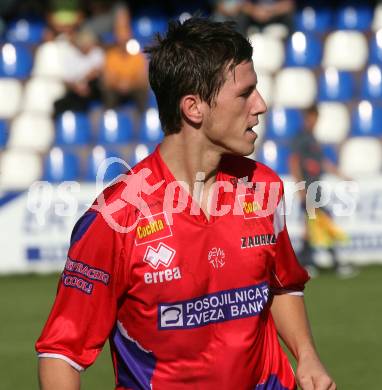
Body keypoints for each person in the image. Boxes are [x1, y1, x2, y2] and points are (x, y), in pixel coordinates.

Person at [36, 17, 336, 390]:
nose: (260, 105)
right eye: (245, 93)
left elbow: (282, 285)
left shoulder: (262, 187)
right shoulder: (117, 217)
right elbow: (62, 353)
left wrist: (306, 355)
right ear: (194, 108)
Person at [289, 105, 357, 278]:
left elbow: (322, 162)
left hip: (315, 190)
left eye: (316, 118)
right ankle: (332, 263)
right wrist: (300, 188)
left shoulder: (312, 139)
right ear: (307, 118)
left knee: (313, 228)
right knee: (320, 224)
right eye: (312, 118)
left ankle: (304, 264)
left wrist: (341, 175)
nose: (314, 121)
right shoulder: (302, 137)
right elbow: (294, 161)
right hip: (308, 190)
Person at [53, 28, 104, 117]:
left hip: (93, 88)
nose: (86, 46)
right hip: (76, 89)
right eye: (83, 44)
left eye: (88, 43)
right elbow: (67, 79)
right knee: (59, 104)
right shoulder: (72, 55)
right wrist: (76, 86)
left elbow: (97, 72)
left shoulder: (98, 53)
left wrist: (85, 81)